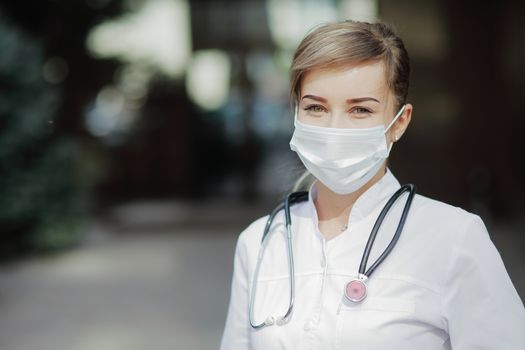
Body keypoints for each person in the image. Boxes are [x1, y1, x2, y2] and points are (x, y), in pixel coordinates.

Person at [220, 20, 525, 349]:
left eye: (360, 110)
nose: (335, 129)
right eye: (316, 107)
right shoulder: (260, 243)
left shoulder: (453, 238)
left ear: (400, 122)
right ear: (295, 112)